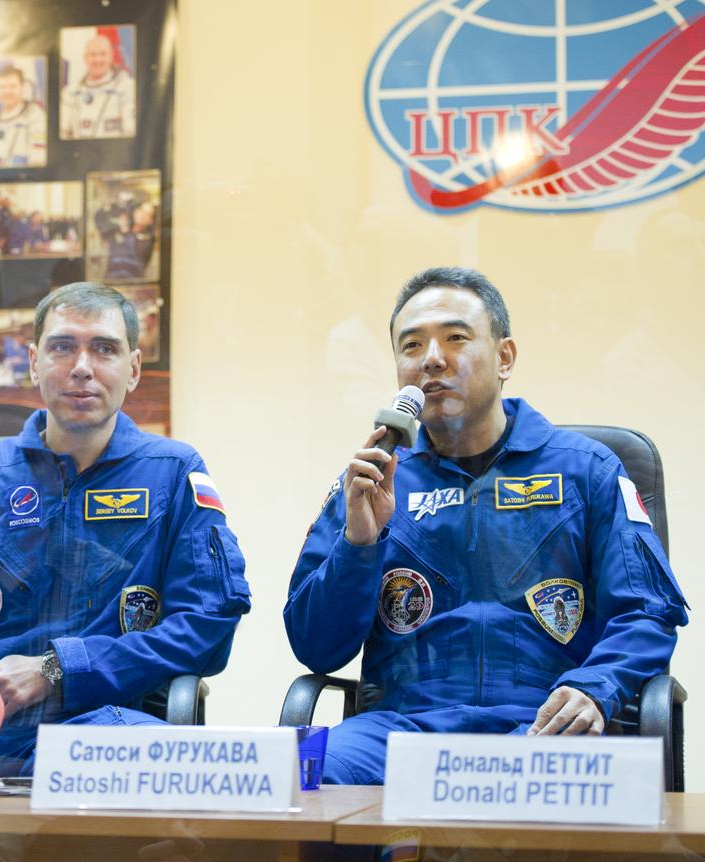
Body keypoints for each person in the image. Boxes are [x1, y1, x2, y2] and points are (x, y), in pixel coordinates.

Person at [284, 266, 687, 785]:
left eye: (455, 337)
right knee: (296, 775)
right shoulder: (373, 480)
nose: (431, 358)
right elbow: (316, 648)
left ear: (504, 358)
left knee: (491, 801)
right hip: (401, 731)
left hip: (540, 728)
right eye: (411, 346)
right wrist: (358, 544)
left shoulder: (586, 470)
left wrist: (596, 687)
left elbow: (647, 612)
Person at [0, 282, 251, 776]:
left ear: (133, 369)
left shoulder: (173, 473)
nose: (82, 366)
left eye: (104, 348)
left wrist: (58, 669)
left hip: (105, 737)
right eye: (62, 346)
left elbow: (208, 626)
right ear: (33, 362)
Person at [60, 35, 136, 139]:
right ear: (85, 58)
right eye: (93, 54)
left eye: (103, 54)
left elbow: (130, 133)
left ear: (111, 56)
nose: (98, 60)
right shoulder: (70, 92)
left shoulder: (127, 87)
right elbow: (62, 132)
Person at [0, 64, 47, 168]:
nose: (7, 92)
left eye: (12, 86)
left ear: (22, 88)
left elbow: (38, 160)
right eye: (2, 87)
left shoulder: (35, 116)